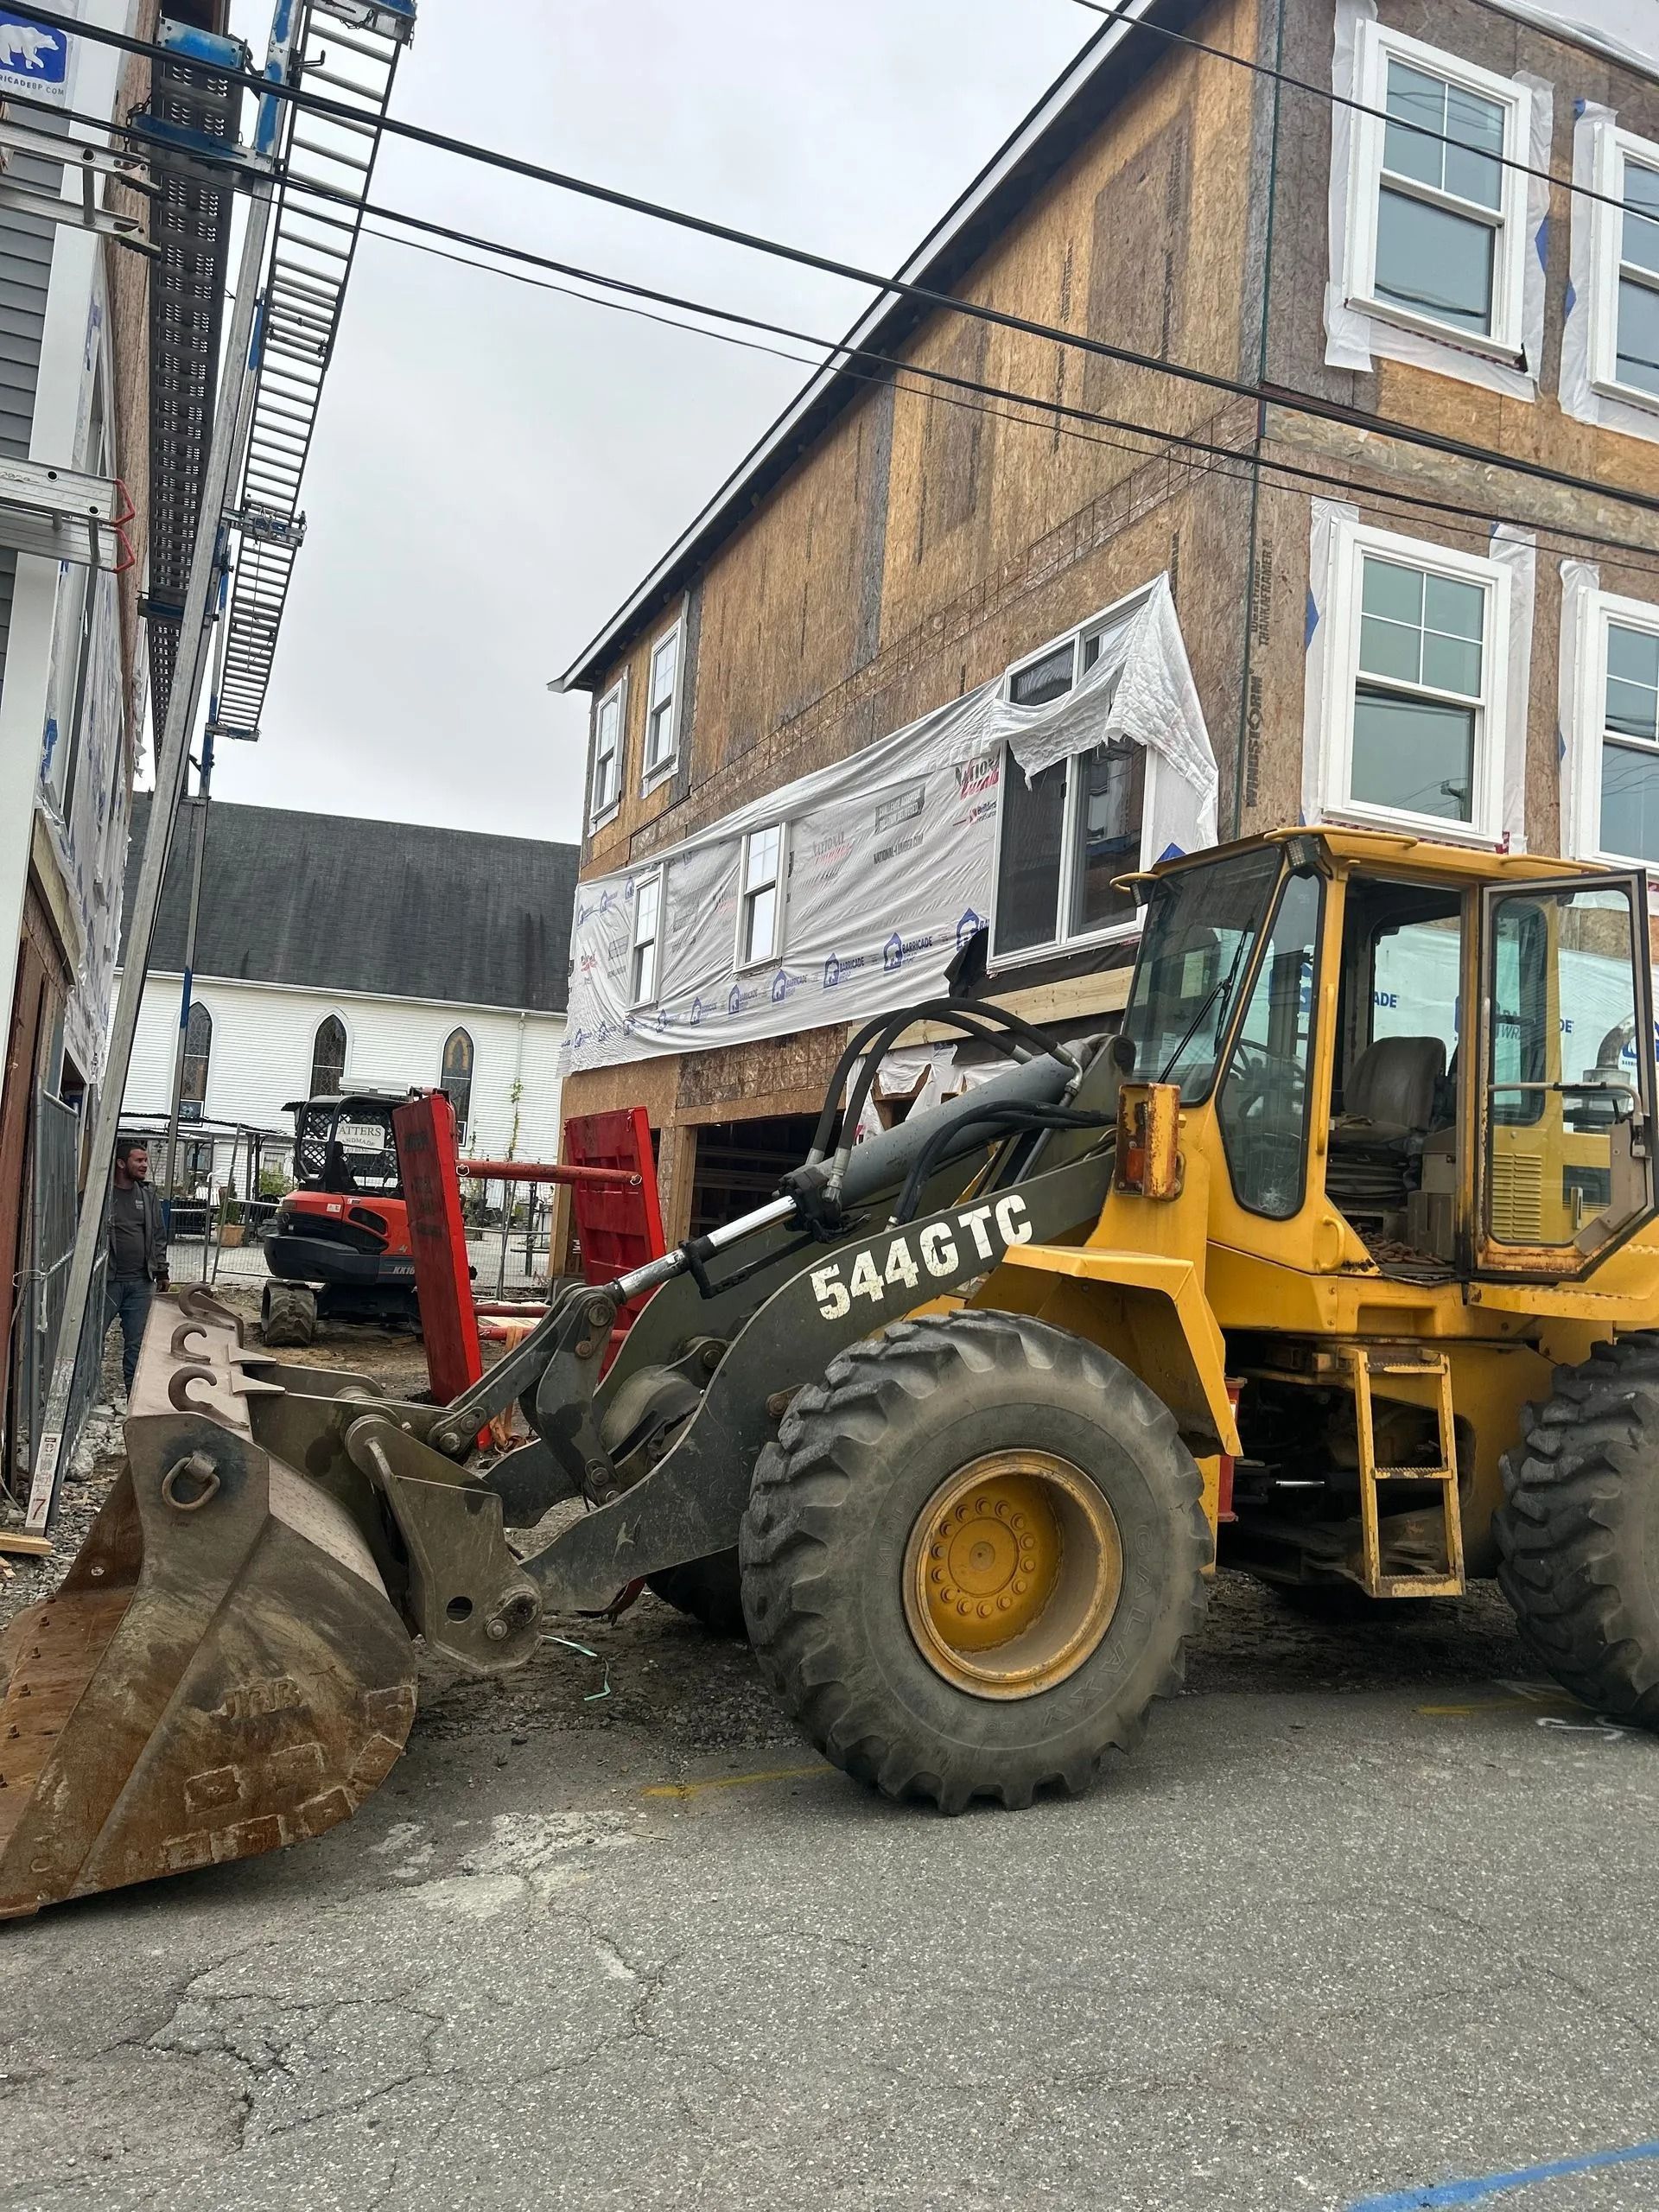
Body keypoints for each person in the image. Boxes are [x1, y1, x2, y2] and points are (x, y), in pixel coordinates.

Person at [104, 1137, 169, 1396]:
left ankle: (135, 1395)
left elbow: (158, 1235)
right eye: (138, 1160)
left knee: (137, 1343)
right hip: (108, 1282)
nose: (144, 1165)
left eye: (145, 1160)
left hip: (141, 1283)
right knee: (91, 1340)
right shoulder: (101, 1196)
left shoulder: (147, 1196)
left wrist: (162, 1270)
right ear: (121, 1163)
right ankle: (83, 1394)